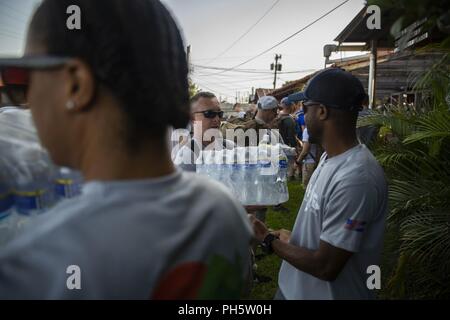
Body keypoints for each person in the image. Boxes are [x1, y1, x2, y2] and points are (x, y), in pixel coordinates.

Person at [0, 0, 252, 299]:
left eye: (25, 78)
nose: (25, 99)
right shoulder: (225, 210)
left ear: (76, 86)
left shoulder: (37, 264)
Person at [248, 68, 388, 300]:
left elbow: (326, 266)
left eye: (305, 108)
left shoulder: (356, 179)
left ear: (321, 111)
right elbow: (328, 236)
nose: (301, 115)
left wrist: (267, 239)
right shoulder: (329, 157)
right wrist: (294, 239)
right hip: (294, 289)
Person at [173, 91, 234, 172]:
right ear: (192, 118)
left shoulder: (231, 147)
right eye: (209, 114)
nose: (217, 119)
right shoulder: (186, 157)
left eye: (219, 114)